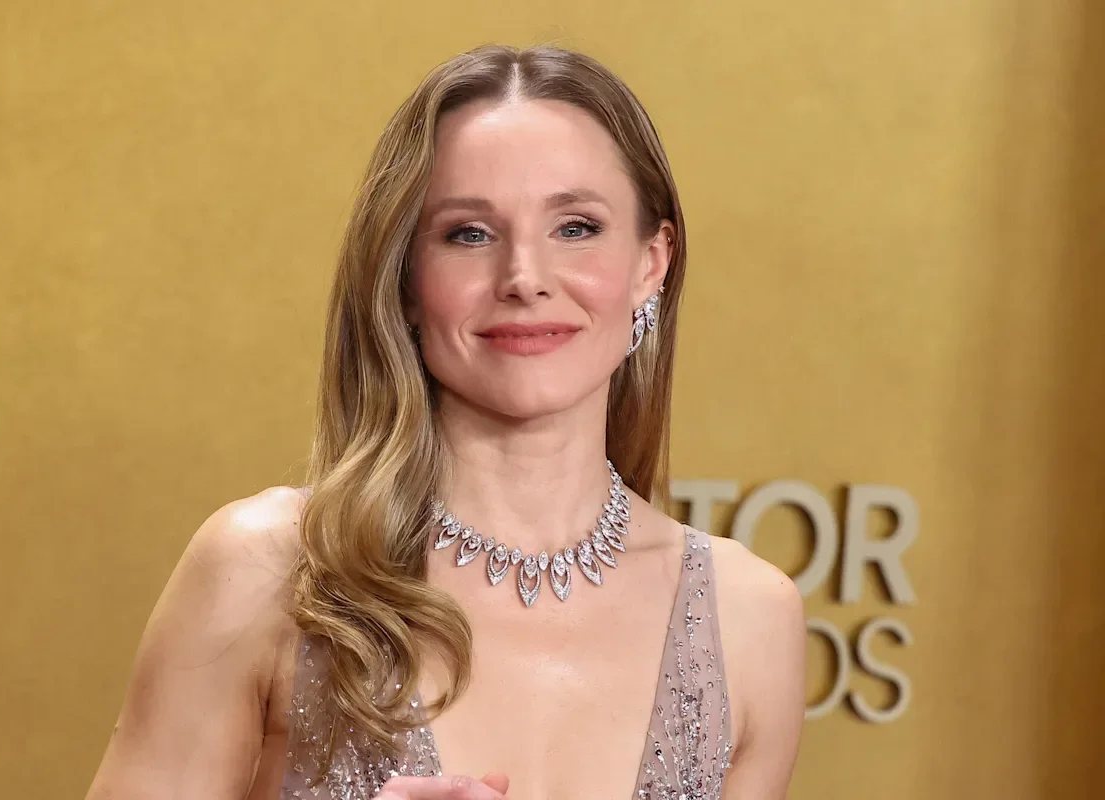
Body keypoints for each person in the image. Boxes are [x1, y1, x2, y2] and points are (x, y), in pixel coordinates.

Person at [86, 44, 805, 800]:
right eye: (469, 234)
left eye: (575, 227)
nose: (524, 278)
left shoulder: (747, 616)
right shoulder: (271, 569)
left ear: (651, 262)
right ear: (404, 278)